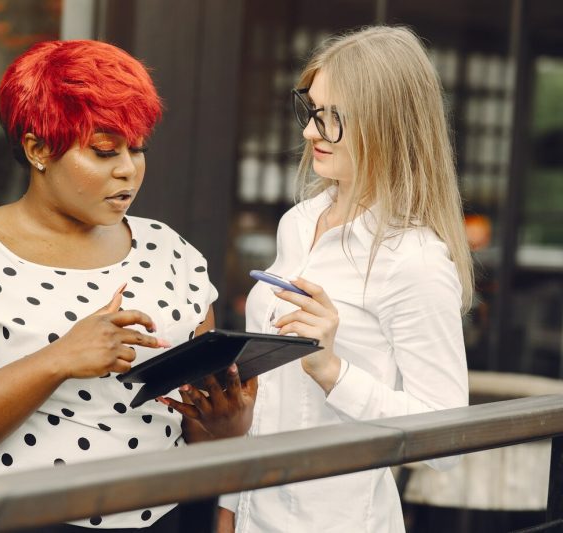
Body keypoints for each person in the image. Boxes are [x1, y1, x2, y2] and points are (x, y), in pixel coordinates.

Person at [0, 39, 256, 532]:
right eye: (104, 151)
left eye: (137, 148)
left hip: (169, 516)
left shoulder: (173, 252)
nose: (128, 168)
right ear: (38, 149)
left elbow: (195, 437)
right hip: (20, 518)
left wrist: (223, 425)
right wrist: (59, 359)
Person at [213, 26, 473, 533]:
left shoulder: (414, 260)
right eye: (310, 111)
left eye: (331, 118)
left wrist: (333, 370)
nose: (310, 132)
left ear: (387, 125)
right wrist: (229, 508)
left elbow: (447, 444)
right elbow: (268, 399)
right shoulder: (300, 222)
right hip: (251, 517)